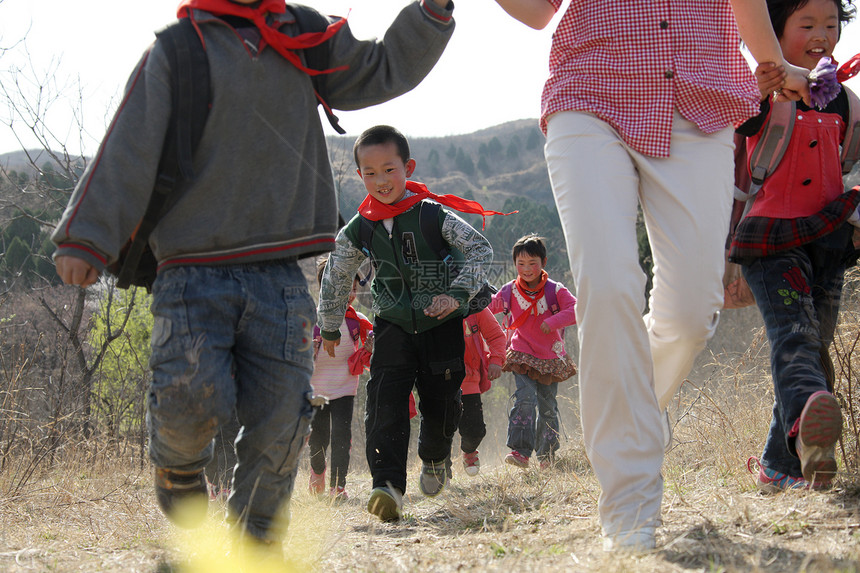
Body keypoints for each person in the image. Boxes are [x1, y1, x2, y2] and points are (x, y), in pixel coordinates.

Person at [51, 0, 456, 547]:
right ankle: (178, 466)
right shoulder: (179, 49)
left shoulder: (304, 35)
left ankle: (256, 533)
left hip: (281, 272)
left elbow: (381, 69)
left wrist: (431, 13)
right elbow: (129, 145)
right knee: (188, 394)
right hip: (192, 268)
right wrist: (86, 235)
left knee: (282, 412)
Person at [493, 0, 812, 552]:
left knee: (692, 313)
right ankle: (629, 507)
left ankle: (639, 405)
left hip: (700, 101)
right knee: (611, 285)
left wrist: (774, 62)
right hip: (590, 95)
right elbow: (537, 12)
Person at [317, 125, 498, 522]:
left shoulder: (433, 214)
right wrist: (330, 324)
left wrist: (457, 294)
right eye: (370, 172)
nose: (380, 181)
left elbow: (479, 250)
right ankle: (387, 487)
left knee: (441, 407)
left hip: (442, 324)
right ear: (360, 175)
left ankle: (434, 457)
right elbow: (336, 273)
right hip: (392, 323)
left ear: (407, 167)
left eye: (389, 169)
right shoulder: (360, 227)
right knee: (386, 404)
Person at [731, 0, 857, 492]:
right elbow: (735, 138)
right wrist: (757, 91)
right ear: (773, 32)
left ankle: (778, 467)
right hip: (771, 238)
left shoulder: (845, 100)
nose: (821, 33)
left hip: (828, 240)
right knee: (796, 337)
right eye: (806, 24)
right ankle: (807, 431)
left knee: (816, 343)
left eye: (831, 24)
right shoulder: (759, 94)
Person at [488, 234, 577, 470]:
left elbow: (577, 308)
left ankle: (546, 456)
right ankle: (520, 451)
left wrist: (555, 321)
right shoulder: (509, 291)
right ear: (514, 264)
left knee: (548, 406)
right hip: (521, 352)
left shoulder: (555, 291)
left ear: (544, 262)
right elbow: (489, 307)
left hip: (550, 356)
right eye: (521, 264)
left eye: (532, 263)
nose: (526, 269)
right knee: (525, 397)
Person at [307, 257, 373, 500]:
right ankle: (317, 472)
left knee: (342, 435)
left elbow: (373, 339)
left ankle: (338, 487)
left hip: (346, 386)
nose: (351, 294)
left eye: (354, 288)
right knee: (319, 437)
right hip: (317, 390)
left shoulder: (357, 319)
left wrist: (370, 347)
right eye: (346, 288)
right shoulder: (314, 320)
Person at [456, 307, 506, 476]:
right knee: (438, 429)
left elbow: (496, 335)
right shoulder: (428, 300)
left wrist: (496, 359)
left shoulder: (475, 305)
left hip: (469, 378)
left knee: (476, 429)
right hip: (437, 378)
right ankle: (440, 468)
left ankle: (469, 451)